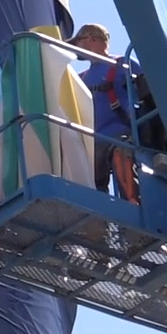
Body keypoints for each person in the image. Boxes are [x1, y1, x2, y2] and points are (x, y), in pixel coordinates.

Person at [68, 23, 140, 203]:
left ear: (91, 39)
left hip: (120, 135)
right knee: (87, 181)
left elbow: (147, 95)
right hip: (92, 142)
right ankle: (96, 227)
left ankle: (132, 204)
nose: (75, 48)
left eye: (78, 42)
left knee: (122, 155)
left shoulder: (122, 64)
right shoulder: (80, 78)